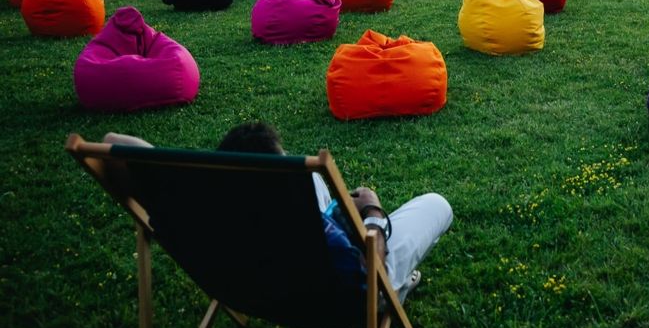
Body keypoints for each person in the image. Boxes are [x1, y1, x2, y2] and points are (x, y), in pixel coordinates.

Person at [101, 123, 453, 302]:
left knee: (312, 177)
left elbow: (112, 142)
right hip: (346, 293)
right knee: (436, 204)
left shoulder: (202, 218)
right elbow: (369, 274)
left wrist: (199, 174)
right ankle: (399, 290)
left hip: (242, 280)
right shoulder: (319, 236)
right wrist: (372, 212)